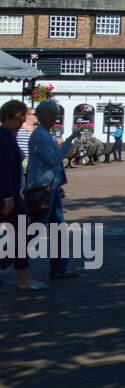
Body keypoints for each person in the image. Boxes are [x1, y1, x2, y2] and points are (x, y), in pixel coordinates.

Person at [25, 100, 80, 279]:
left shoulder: (45, 135)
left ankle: (59, 268)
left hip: (50, 188)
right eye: (51, 114)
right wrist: (70, 140)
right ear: (41, 116)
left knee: (57, 229)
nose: (54, 118)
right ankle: (7, 260)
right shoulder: (40, 136)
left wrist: (59, 184)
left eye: (56, 114)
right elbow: (53, 158)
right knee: (35, 230)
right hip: (42, 189)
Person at [1, 101, 45, 291]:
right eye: (18, 119)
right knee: (20, 234)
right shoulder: (5, 137)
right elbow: (3, 169)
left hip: (10, 193)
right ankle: (24, 278)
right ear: (8, 117)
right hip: (9, 195)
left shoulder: (7, 135)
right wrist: (8, 196)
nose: (21, 123)